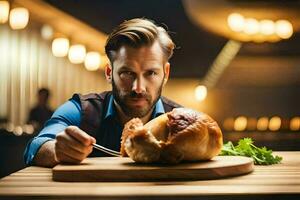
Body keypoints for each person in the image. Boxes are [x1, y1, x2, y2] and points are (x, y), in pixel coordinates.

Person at [24, 18, 181, 167]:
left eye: (151, 73)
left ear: (166, 73)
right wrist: (57, 151)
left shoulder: (182, 121)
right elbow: (35, 147)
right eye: (127, 73)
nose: (138, 88)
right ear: (109, 72)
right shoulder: (81, 110)